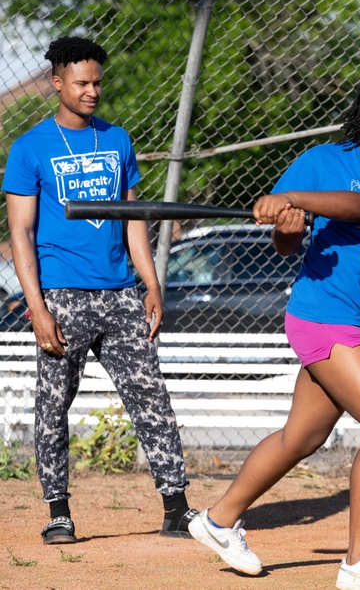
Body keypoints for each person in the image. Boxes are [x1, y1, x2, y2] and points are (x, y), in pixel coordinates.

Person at [187, 68, 360, 590]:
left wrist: (299, 201)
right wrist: (286, 224)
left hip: (359, 322)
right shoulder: (319, 162)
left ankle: (217, 520)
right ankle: (359, 562)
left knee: (303, 436)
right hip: (321, 314)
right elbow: (286, 245)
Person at [2, 36, 197, 544]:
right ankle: (59, 512)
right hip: (63, 294)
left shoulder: (117, 140)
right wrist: (37, 306)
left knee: (151, 396)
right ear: (58, 82)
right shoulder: (29, 148)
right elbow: (20, 233)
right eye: (82, 82)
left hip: (120, 293)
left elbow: (134, 220)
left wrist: (151, 283)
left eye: (97, 82)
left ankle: (176, 507)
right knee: (53, 404)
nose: (92, 91)